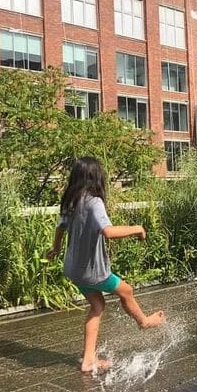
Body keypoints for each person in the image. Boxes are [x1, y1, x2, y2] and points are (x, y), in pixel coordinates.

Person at [47, 156, 164, 374]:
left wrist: (55, 249)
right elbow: (108, 232)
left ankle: (88, 360)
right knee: (126, 290)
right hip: (92, 271)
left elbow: (60, 228)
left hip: (74, 269)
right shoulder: (93, 202)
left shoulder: (70, 202)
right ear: (96, 178)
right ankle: (144, 322)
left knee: (97, 306)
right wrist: (137, 228)